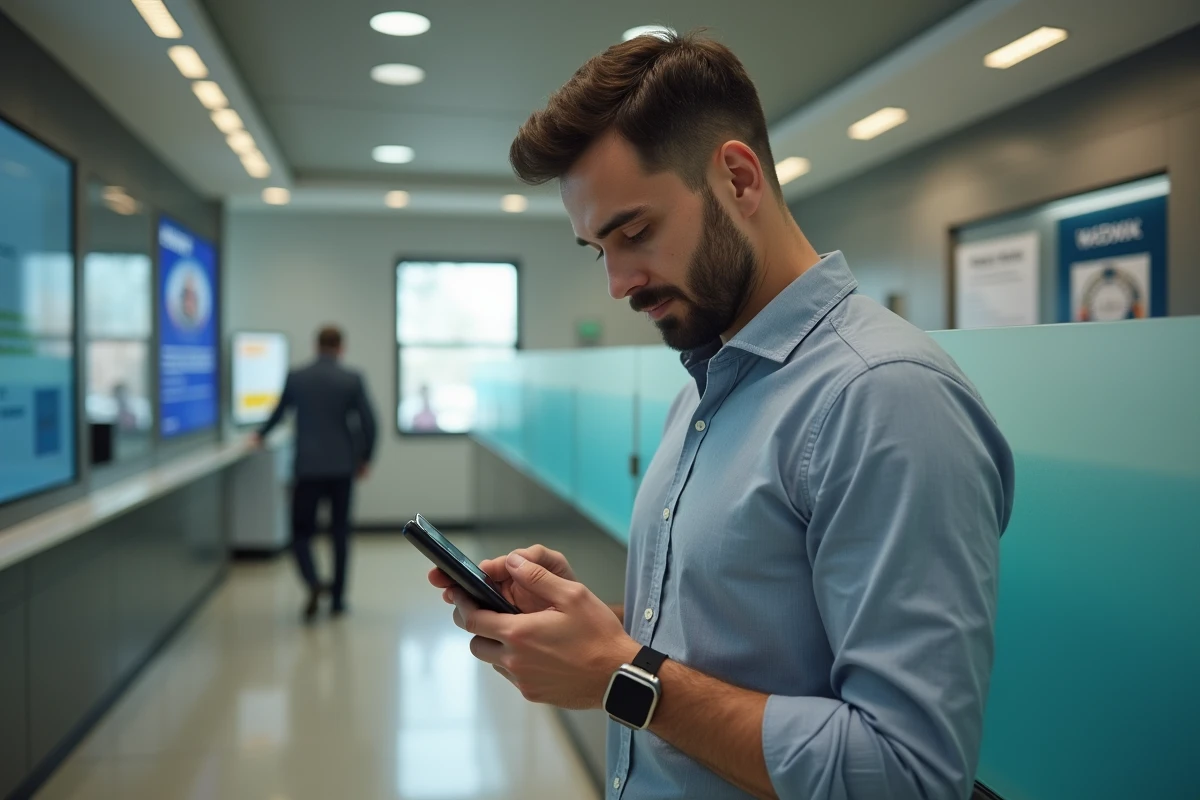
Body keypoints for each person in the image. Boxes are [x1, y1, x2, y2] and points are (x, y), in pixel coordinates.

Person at [428, 32, 1015, 800]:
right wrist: (593, 630)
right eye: (595, 248)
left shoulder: (884, 397)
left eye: (634, 232)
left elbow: (906, 774)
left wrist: (619, 676)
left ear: (738, 178)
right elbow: (728, 647)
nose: (617, 283)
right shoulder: (706, 389)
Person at [255, 326, 378, 621]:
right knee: (339, 533)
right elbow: (370, 423)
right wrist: (364, 458)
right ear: (341, 347)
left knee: (301, 532)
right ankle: (337, 601)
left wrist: (259, 435)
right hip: (341, 468)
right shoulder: (351, 379)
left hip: (307, 468)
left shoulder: (297, 377)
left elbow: (279, 412)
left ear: (316, 345)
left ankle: (313, 582)